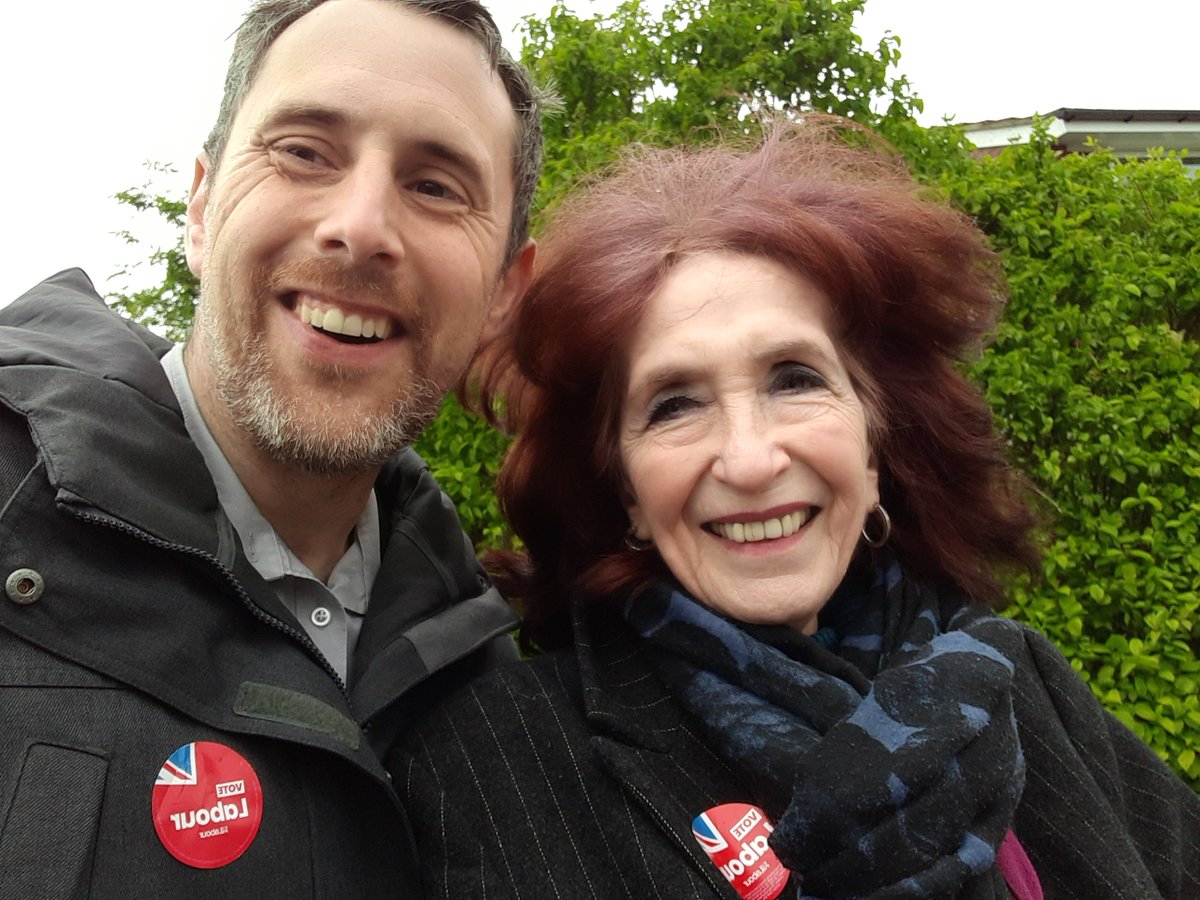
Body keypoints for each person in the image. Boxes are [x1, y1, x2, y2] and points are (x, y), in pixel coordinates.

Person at [394, 121, 1200, 899]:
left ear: (875, 445)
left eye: (795, 379)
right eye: (674, 405)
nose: (750, 460)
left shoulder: (1025, 686)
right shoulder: (499, 754)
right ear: (627, 493)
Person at [0, 0, 544, 895]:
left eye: (437, 185)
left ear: (502, 297)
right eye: (304, 151)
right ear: (204, 205)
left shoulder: (498, 681)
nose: (361, 226)